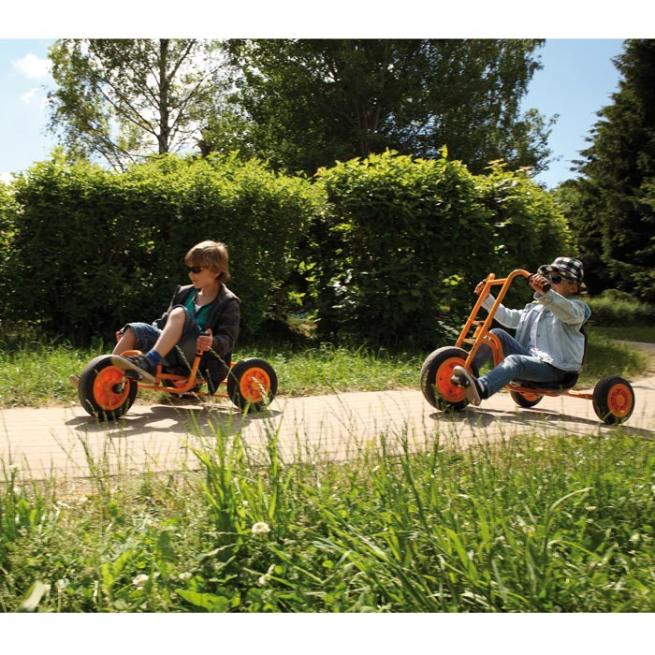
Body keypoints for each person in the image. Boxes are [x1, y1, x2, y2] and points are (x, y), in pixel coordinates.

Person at [452, 256, 591, 406]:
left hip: (557, 369)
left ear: (573, 287)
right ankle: (466, 372)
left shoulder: (577, 308)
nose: (550, 282)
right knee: (496, 334)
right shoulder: (536, 308)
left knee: (515, 361)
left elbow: (568, 312)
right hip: (532, 360)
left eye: (556, 279)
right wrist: (486, 298)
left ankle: (481, 388)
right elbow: (508, 318)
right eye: (548, 278)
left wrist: (547, 293)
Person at [111, 240, 240, 392]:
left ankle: (150, 362)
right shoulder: (184, 293)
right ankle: (104, 376)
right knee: (133, 330)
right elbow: (163, 324)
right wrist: (138, 337)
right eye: (190, 269)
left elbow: (228, 340)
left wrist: (212, 342)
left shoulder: (228, 302)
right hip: (172, 352)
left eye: (196, 270)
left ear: (216, 271)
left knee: (179, 312)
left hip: (200, 357)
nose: (190, 274)